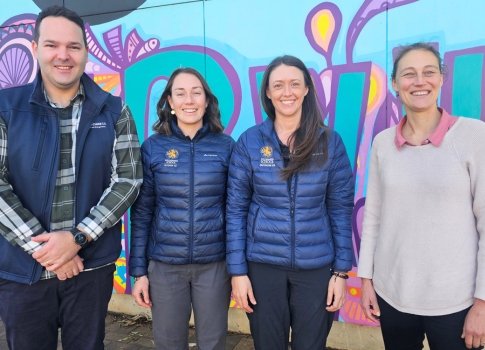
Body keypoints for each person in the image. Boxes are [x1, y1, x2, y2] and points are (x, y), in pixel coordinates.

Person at [0, 5, 142, 350]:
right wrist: (47, 249)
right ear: (35, 48)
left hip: (90, 269)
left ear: (85, 51)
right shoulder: (5, 107)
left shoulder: (114, 109)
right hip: (24, 272)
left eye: (73, 46)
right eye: (52, 45)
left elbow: (128, 180)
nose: (63, 55)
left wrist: (77, 238)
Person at [358, 42, 485, 350]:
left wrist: (482, 303)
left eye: (429, 72)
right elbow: (373, 216)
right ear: (394, 84)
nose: (419, 81)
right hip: (393, 296)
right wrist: (366, 282)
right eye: (409, 74)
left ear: (441, 78)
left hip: (456, 303)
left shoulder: (473, 135)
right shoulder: (383, 143)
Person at [226, 55, 354, 350]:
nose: (287, 92)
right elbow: (235, 209)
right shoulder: (250, 142)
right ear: (268, 93)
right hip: (262, 266)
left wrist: (340, 272)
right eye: (278, 85)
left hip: (316, 266)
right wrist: (238, 272)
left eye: (295, 84)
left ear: (307, 89)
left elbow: (340, 208)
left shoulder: (329, 142)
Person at [129, 67, 235, 350]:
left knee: (213, 343)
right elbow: (141, 213)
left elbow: (237, 212)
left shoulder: (226, 147)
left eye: (196, 92)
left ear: (207, 101)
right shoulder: (153, 148)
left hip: (214, 265)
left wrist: (237, 269)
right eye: (181, 93)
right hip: (165, 267)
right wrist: (139, 273)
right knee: (168, 343)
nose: (189, 100)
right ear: (170, 103)